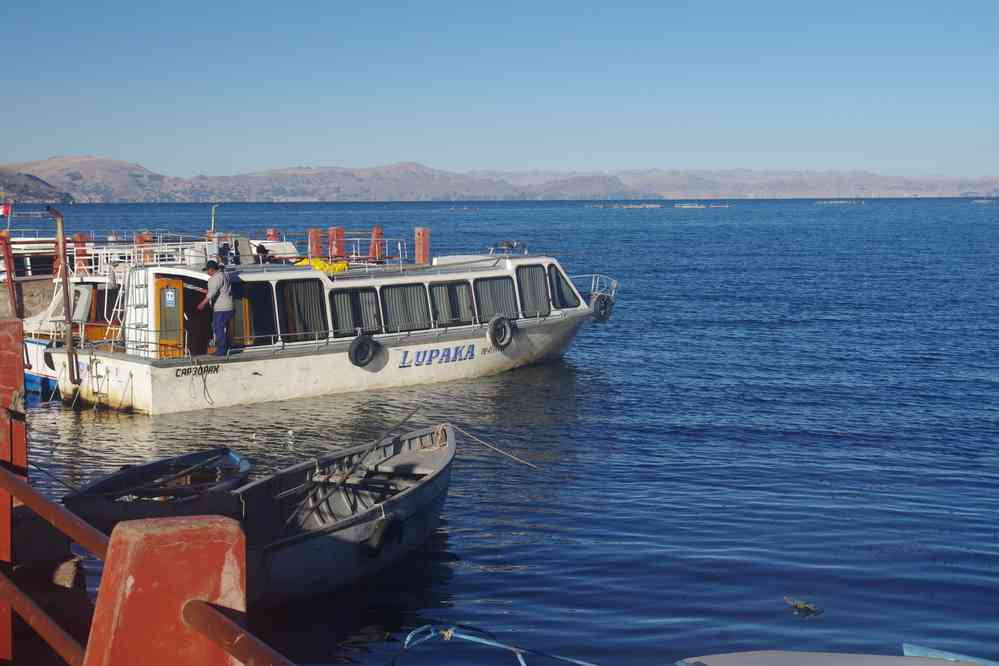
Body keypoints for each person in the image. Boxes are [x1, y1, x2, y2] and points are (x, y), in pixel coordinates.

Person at [197, 260, 234, 357]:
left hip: (222, 308)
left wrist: (202, 303)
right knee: (219, 327)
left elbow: (212, 293)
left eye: (207, 270)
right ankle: (227, 346)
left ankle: (222, 350)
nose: (207, 272)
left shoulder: (216, 277)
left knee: (218, 327)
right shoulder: (224, 274)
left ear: (211, 269)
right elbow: (220, 290)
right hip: (228, 307)